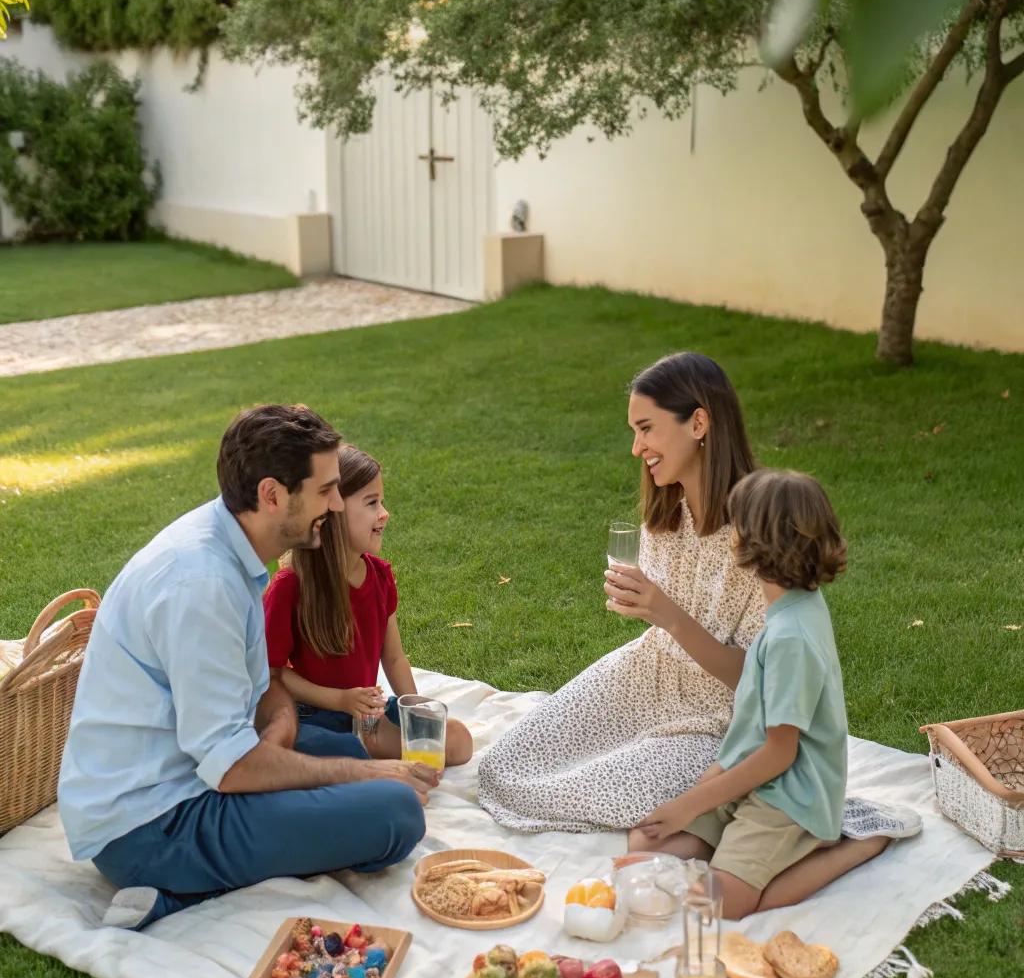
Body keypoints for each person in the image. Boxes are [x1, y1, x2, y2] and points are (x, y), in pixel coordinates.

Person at [58, 405, 437, 931]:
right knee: (393, 810)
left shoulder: (231, 548)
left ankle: (234, 858)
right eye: (326, 490)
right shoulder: (201, 583)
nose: (334, 504)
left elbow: (265, 683)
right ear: (272, 495)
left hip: (200, 768)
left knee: (353, 751)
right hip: (150, 822)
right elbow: (232, 767)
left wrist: (281, 724)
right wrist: (365, 772)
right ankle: (173, 892)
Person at [477, 352, 766, 832]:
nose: (637, 448)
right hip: (647, 677)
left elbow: (758, 682)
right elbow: (664, 620)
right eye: (635, 431)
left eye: (647, 429)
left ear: (698, 422)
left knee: (611, 792)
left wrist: (667, 613)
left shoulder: (757, 532)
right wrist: (650, 610)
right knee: (504, 765)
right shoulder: (666, 515)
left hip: (719, 720)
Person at [628, 468, 910, 917]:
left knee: (723, 903)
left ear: (754, 542)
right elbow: (751, 726)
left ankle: (857, 844)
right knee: (645, 843)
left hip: (790, 793)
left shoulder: (792, 637)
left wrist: (692, 803)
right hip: (747, 777)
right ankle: (755, 848)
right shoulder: (787, 607)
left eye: (735, 523)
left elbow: (781, 754)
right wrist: (710, 785)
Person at [263, 444, 472, 765]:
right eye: (372, 503)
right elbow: (272, 674)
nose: (385, 513)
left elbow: (394, 657)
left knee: (457, 740)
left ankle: (369, 752)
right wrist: (341, 699)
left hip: (364, 715)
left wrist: (415, 713)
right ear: (332, 511)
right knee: (347, 754)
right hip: (310, 714)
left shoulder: (380, 576)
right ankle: (357, 759)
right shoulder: (291, 586)